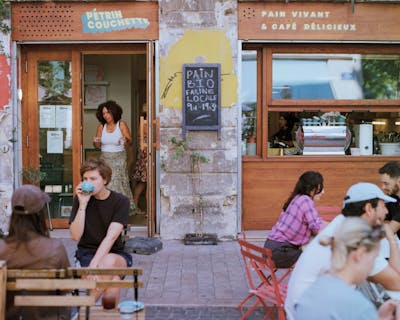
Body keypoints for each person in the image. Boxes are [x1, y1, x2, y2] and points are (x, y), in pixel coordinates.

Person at [285, 182, 400, 320]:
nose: (387, 212)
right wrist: (392, 241)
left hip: (300, 307)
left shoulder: (341, 225)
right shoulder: (357, 236)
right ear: (369, 208)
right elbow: (396, 283)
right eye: (383, 206)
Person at [295, 217, 400, 320]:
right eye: (373, 258)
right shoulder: (359, 307)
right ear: (359, 255)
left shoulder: (318, 285)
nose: (372, 267)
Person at [0, 185, 70, 320]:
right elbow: (66, 287)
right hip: (48, 317)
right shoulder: (55, 248)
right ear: (40, 214)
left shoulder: (2, 249)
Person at [69, 158, 132, 304]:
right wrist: (83, 204)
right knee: (113, 284)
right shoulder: (80, 200)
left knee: (108, 261)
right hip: (86, 254)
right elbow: (75, 235)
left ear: (105, 180)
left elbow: (111, 237)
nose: (88, 182)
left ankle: (85, 309)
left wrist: (94, 267)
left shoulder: (120, 201)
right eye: (85, 179)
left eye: (93, 178)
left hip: (115, 255)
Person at [263, 171, 325, 268]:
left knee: (312, 253)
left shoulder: (296, 198)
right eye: (320, 188)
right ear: (312, 188)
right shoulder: (306, 200)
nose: (323, 192)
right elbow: (316, 227)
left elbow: (313, 223)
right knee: (318, 258)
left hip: (269, 250)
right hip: (279, 253)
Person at [93, 100, 134, 208]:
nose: (106, 115)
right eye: (103, 113)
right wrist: (96, 141)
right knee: (106, 182)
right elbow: (97, 146)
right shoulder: (101, 126)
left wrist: (126, 140)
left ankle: (120, 207)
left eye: (108, 112)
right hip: (105, 159)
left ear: (114, 112)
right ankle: (106, 207)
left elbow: (130, 142)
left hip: (119, 158)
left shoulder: (121, 124)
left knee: (118, 182)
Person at [131, 106, 147, 215]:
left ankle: (136, 206)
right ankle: (147, 210)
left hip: (145, 155)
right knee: (145, 183)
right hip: (146, 155)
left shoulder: (144, 122)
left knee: (143, 183)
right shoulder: (145, 123)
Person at [379, 161, 400, 237]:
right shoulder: (393, 199)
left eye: (386, 183)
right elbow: (378, 215)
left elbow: (389, 231)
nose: (383, 187)